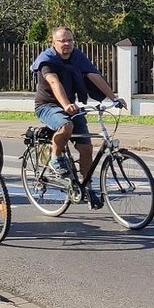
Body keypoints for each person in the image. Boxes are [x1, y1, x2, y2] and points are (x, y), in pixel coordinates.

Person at [31, 26, 124, 208]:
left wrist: (114, 98)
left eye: (70, 40)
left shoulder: (77, 56)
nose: (67, 44)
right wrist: (65, 104)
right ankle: (55, 157)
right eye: (62, 41)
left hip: (72, 107)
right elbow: (53, 81)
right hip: (47, 106)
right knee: (66, 126)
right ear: (54, 43)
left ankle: (87, 186)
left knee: (87, 148)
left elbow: (93, 76)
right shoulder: (47, 60)